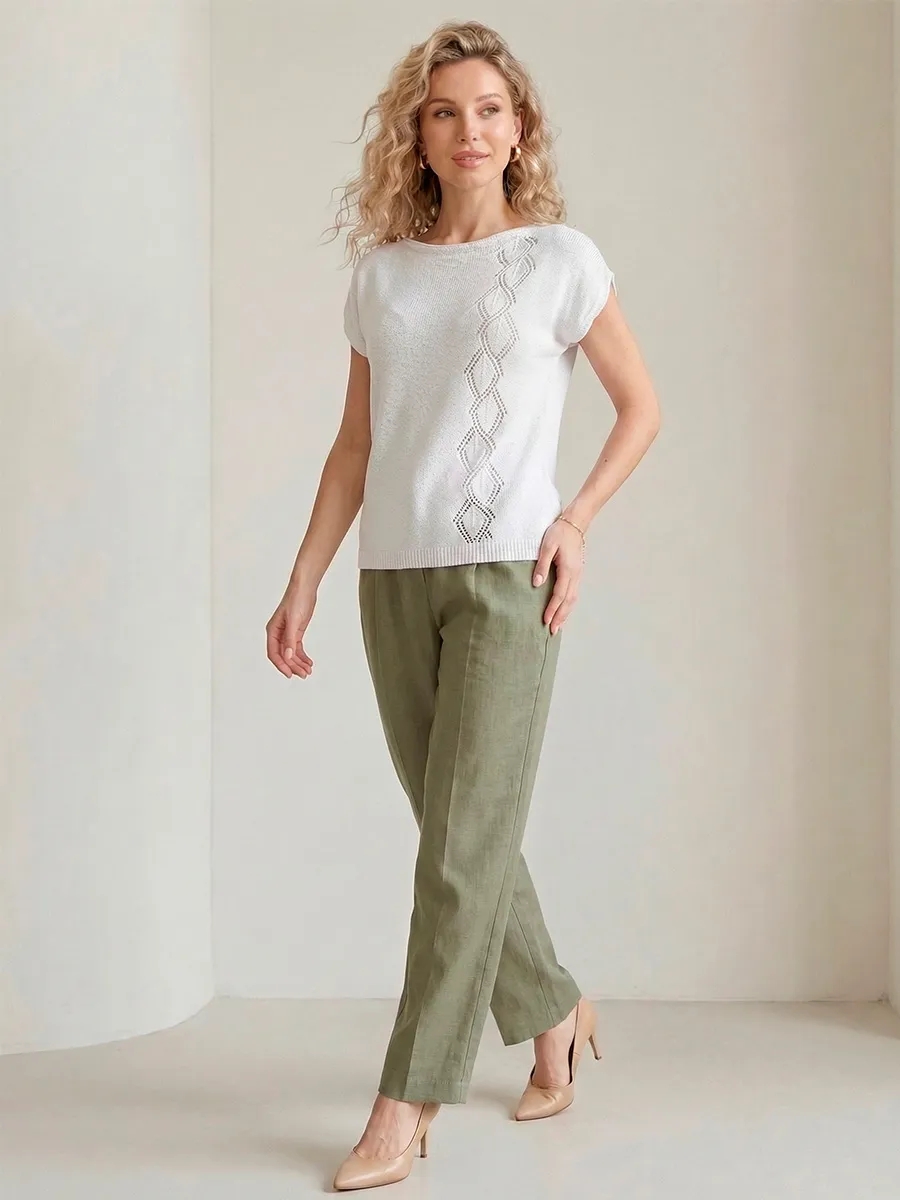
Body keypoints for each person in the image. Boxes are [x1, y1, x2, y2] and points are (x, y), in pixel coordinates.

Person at [265, 18, 660, 1192]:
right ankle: (555, 1010)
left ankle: (407, 1101)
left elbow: (641, 408)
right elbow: (355, 444)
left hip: (507, 583)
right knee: (460, 836)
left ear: (519, 128)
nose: (469, 130)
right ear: (419, 135)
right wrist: (304, 576)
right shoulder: (383, 278)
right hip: (393, 578)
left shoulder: (560, 260)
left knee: (456, 854)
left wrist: (575, 521)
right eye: (446, 113)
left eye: (490, 109)